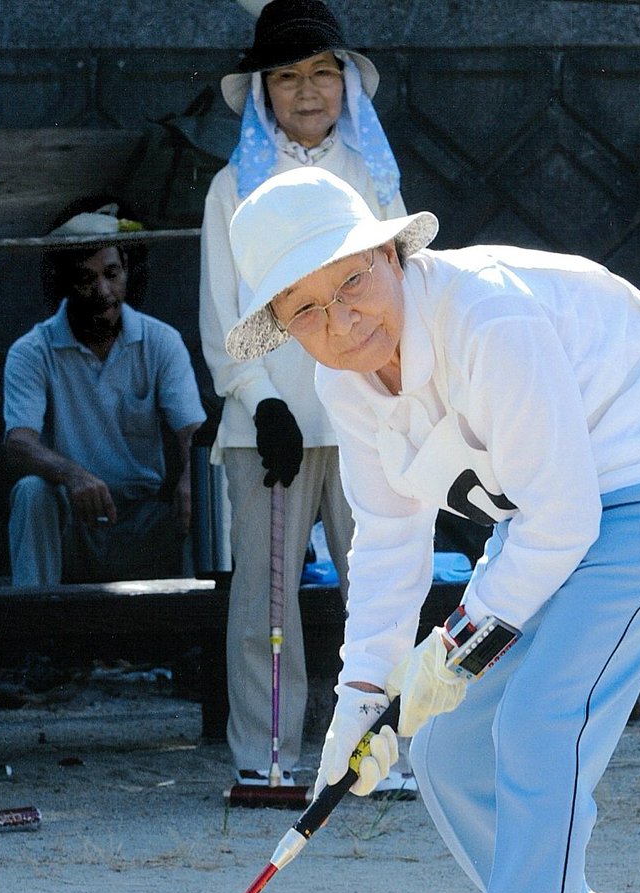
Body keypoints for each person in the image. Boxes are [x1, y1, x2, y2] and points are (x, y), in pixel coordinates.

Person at [225, 167, 640, 893]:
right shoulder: (343, 382)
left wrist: (451, 649)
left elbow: (563, 523)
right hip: (550, 509)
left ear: (390, 251)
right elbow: (388, 539)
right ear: (282, 325)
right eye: (304, 310)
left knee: (540, 725)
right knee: (453, 742)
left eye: (350, 279)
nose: (340, 321)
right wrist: (363, 705)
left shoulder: (485, 320)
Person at [199, 0, 410, 790]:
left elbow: (400, 292)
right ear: (263, 94)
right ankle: (267, 759)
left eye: (324, 72)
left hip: (370, 414)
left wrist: (396, 392)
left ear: (348, 84)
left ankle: (380, 757)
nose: (308, 91)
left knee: (382, 588)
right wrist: (264, 401)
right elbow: (223, 314)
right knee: (265, 601)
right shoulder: (232, 187)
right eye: (287, 77)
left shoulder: (374, 177)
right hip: (269, 429)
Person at [4, 223, 205, 587]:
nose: (103, 291)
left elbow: (192, 431)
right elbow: (18, 443)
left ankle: (200, 633)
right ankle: (32, 631)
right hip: (72, 517)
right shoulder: (31, 351)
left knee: (205, 495)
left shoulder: (160, 341)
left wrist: (191, 481)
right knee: (31, 493)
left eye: (112, 274)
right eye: (86, 278)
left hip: (143, 519)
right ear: (63, 283)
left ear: (127, 271)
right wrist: (73, 475)